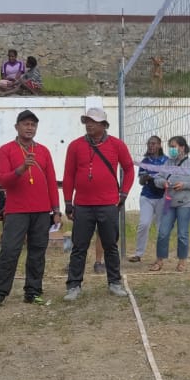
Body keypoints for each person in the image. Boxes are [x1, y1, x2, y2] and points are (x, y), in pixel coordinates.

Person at [0, 109, 60, 307]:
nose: (30, 128)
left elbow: (51, 182)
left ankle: (33, 291)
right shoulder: (6, 150)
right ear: (17, 127)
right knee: (10, 251)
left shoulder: (43, 151)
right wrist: (21, 169)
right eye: (26, 124)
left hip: (41, 210)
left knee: (37, 251)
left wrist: (56, 210)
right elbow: (3, 179)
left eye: (33, 125)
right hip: (17, 210)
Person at [62, 106, 134, 300]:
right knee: (79, 246)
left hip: (108, 204)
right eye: (87, 121)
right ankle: (73, 286)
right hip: (83, 205)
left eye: (93, 121)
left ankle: (114, 282)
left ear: (103, 125)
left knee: (110, 245)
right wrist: (68, 201)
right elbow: (68, 174)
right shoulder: (75, 146)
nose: (89, 125)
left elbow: (129, 169)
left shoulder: (117, 145)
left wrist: (124, 194)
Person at [151, 136, 190, 272]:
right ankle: (159, 261)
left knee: (182, 234)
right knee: (163, 232)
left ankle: (182, 262)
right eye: (170, 146)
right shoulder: (168, 163)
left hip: (185, 204)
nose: (171, 149)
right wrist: (163, 183)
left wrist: (184, 185)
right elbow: (157, 178)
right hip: (169, 202)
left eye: (174, 146)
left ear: (182, 147)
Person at [131, 136, 168, 263]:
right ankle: (138, 253)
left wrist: (160, 179)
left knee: (160, 227)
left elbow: (170, 177)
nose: (151, 146)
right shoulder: (145, 161)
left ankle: (160, 256)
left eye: (153, 144)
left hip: (162, 197)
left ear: (159, 145)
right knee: (144, 224)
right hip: (147, 196)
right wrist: (146, 177)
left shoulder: (167, 161)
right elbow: (141, 182)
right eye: (149, 144)